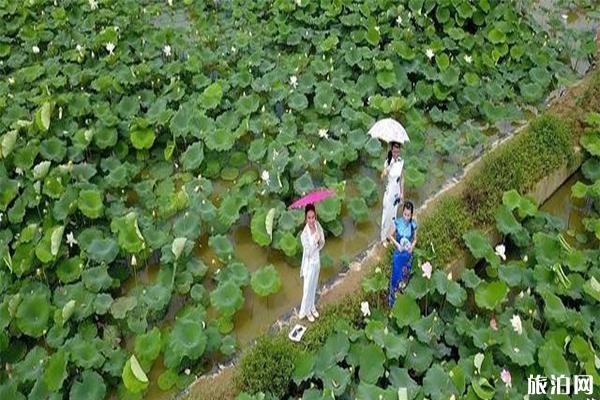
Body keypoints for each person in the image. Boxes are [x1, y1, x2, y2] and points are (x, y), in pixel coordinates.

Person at [387, 201, 417, 307]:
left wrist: (412, 247)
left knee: (405, 277)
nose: (406, 217)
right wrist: (397, 244)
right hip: (399, 254)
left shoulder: (413, 224)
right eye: (405, 214)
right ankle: (392, 300)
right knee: (395, 276)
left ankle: (402, 298)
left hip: (408, 255)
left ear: (411, 215)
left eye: (408, 215)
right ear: (402, 212)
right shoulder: (397, 223)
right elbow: (389, 235)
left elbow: (415, 239)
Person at [299, 203, 325, 322]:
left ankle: (312, 306)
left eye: (313, 217)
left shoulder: (317, 226)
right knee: (307, 288)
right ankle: (306, 311)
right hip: (309, 264)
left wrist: (319, 241)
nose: (311, 220)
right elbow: (308, 252)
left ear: (315, 217)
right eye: (309, 218)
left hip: (317, 261)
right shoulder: (304, 235)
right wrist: (315, 241)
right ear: (305, 218)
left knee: (314, 286)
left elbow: (322, 243)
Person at [380, 141, 404, 243]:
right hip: (389, 192)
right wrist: (389, 167)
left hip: (397, 192)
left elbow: (402, 178)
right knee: (386, 215)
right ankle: (383, 238)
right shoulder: (387, 162)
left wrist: (402, 193)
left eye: (398, 152)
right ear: (391, 150)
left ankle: (390, 236)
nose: (396, 154)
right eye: (394, 152)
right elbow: (382, 177)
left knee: (394, 215)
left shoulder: (400, 161)